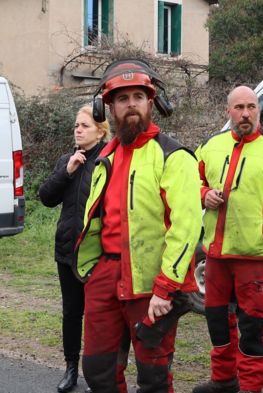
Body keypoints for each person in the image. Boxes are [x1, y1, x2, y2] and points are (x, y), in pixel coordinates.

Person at [74, 59, 202, 393]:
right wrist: (91, 274)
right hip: (104, 276)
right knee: (98, 371)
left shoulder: (174, 156)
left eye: (138, 97)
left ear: (152, 102)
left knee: (153, 378)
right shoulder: (106, 158)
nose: (131, 103)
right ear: (108, 108)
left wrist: (166, 287)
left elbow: (186, 228)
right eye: (122, 98)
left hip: (150, 284)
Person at [193, 86, 263, 393]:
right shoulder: (211, 145)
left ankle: (250, 388)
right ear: (228, 112)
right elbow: (190, 181)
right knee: (217, 323)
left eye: (252, 106)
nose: (246, 113)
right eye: (239, 107)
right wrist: (204, 194)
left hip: (255, 257)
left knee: (251, 329)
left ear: (259, 110)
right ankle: (223, 380)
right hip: (216, 256)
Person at [38, 105, 110, 393]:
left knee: (98, 315)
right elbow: (45, 197)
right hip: (67, 250)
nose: (78, 130)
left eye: (85, 126)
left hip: (97, 252)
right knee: (71, 312)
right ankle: (71, 369)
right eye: (76, 126)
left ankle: (99, 374)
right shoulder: (67, 160)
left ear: (101, 131)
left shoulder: (109, 160)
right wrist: (66, 172)